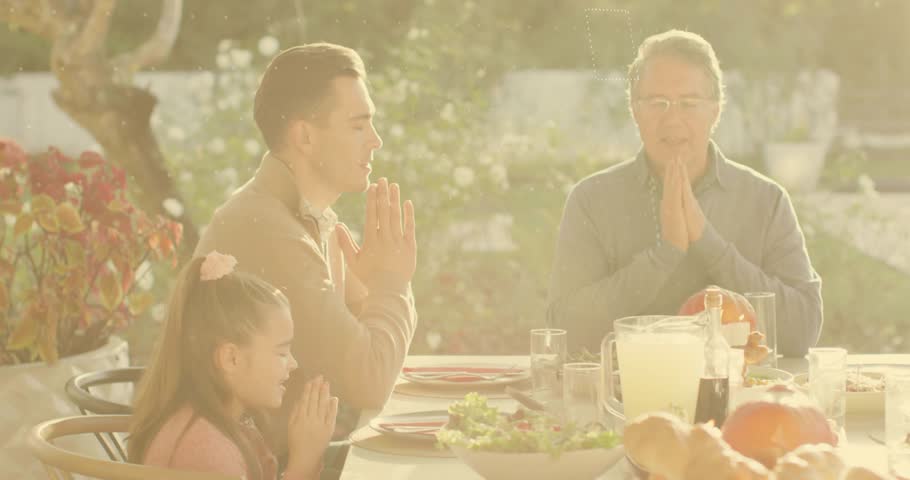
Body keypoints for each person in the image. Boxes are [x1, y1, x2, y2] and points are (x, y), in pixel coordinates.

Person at [193, 42, 418, 458]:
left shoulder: (303, 219)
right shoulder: (273, 232)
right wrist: (391, 281)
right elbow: (369, 379)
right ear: (305, 136)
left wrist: (373, 290)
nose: (376, 141)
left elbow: (365, 351)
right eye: (358, 126)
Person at [547, 29, 822, 356]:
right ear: (635, 110)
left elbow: (802, 331)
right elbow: (565, 331)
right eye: (657, 103)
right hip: (631, 384)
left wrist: (708, 241)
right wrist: (665, 255)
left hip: (739, 385)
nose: (673, 120)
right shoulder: (592, 200)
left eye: (689, 104)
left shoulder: (766, 200)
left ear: (715, 110)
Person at [129, 251, 336, 480]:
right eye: (281, 352)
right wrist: (304, 461)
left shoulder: (219, 422)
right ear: (231, 359)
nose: (293, 364)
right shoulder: (208, 454)